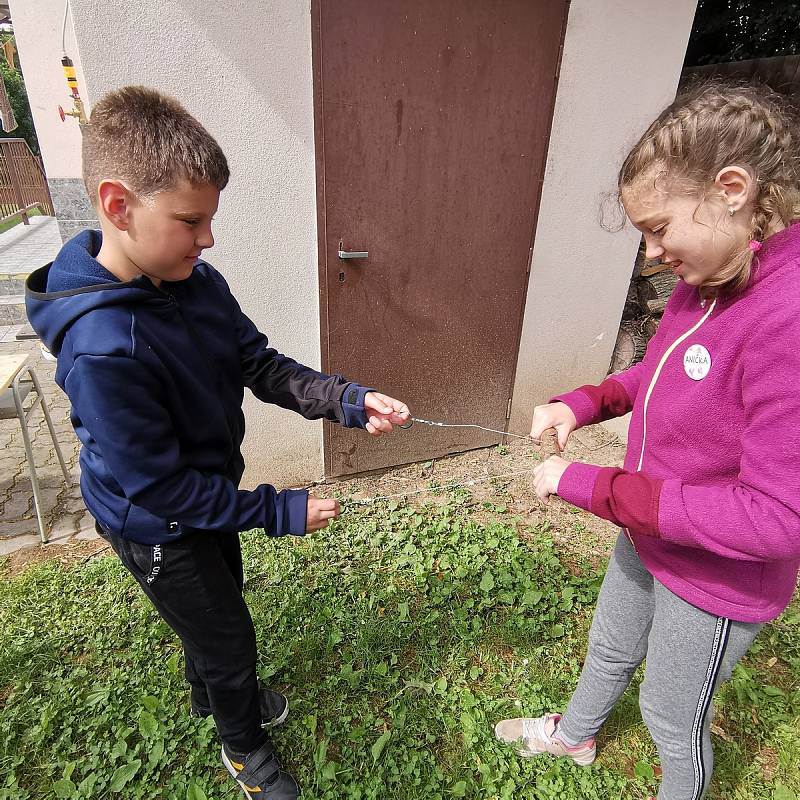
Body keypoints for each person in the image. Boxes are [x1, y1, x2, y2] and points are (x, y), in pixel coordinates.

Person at [26, 86, 410, 800]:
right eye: (190, 220)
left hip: (203, 499)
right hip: (156, 525)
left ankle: (212, 692)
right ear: (118, 205)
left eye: (210, 219)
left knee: (218, 605)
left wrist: (349, 402)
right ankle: (243, 748)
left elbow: (259, 365)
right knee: (227, 635)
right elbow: (161, 490)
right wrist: (279, 511)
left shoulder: (196, 283)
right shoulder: (105, 350)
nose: (207, 239)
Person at [494, 81, 800, 800]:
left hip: (716, 577)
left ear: (731, 189)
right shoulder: (713, 276)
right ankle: (574, 738)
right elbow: (658, 368)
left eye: (660, 228)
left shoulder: (786, 318)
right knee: (609, 647)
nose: (653, 253)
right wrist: (583, 402)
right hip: (650, 528)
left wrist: (592, 487)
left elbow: (776, 519)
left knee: (670, 714)